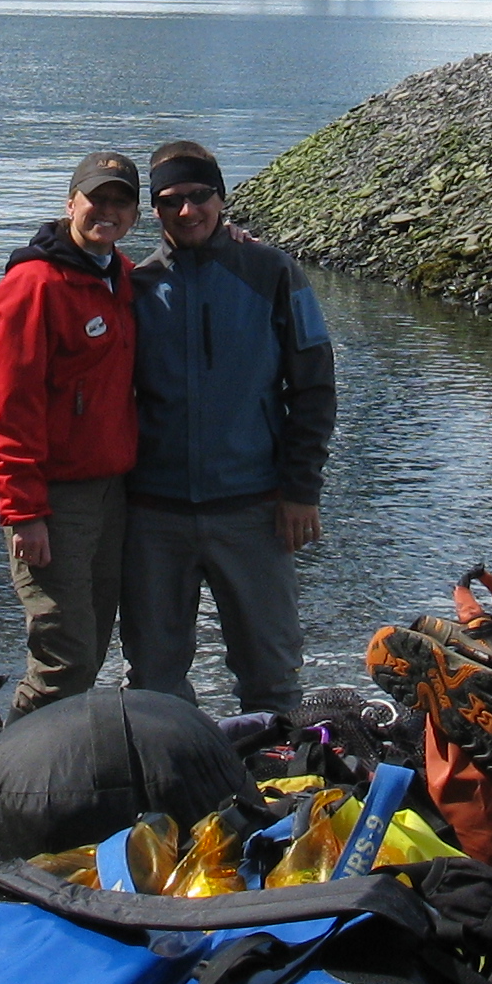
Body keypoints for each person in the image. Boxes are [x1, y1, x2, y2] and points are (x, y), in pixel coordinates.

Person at [122, 139, 335, 716]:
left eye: (199, 197)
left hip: (255, 509)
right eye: (171, 201)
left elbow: (313, 387)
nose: (187, 211)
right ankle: (170, 789)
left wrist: (300, 490)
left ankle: (280, 786)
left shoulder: (273, 273)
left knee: (271, 673)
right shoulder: (134, 288)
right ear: (155, 210)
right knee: (153, 681)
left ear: (221, 197)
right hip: (153, 514)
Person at [0, 150, 142, 716]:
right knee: (63, 657)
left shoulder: (120, 276)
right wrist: (23, 510)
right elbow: (6, 408)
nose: (108, 211)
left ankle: (58, 778)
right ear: (70, 203)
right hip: (54, 498)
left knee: (91, 648)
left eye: (121, 202)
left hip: (111, 492)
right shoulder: (31, 288)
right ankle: (5, 788)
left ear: (135, 216)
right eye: (97, 199)